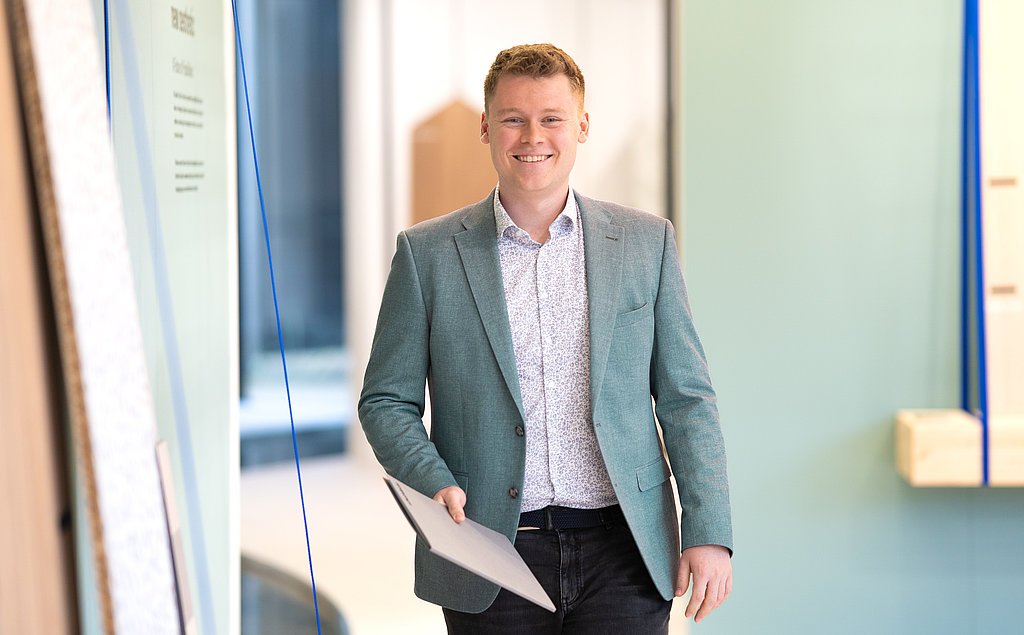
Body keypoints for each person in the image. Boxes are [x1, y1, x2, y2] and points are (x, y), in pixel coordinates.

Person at [359, 43, 732, 634]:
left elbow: (687, 398)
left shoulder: (646, 243)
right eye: (513, 119)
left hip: (626, 550)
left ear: (581, 125)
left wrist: (708, 530)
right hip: (488, 547)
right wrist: (432, 480)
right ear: (486, 128)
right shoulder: (426, 255)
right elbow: (385, 400)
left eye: (551, 118)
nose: (533, 136)